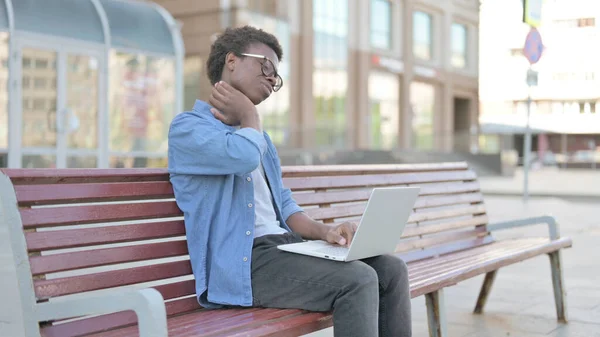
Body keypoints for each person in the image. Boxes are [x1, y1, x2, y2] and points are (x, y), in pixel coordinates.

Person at [168, 26, 411, 337]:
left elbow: (282, 203)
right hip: (243, 264)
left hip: (283, 250)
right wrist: (250, 117)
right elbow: (241, 156)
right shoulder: (188, 129)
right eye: (265, 66)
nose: (272, 79)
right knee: (359, 280)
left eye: (276, 76)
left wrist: (325, 232)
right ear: (231, 61)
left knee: (391, 270)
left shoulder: (260, 139)